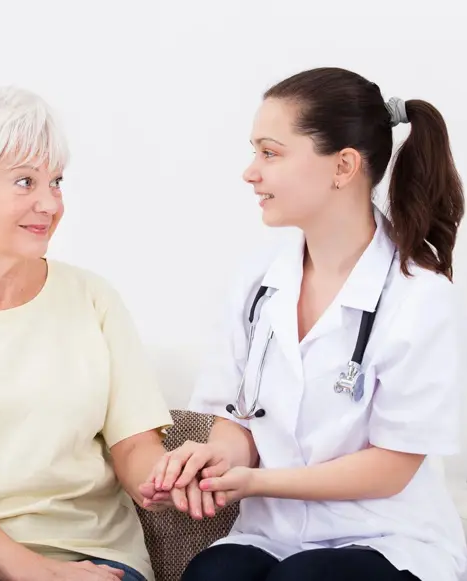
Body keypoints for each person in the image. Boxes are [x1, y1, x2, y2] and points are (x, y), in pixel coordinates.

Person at [141, 67, 467, 581]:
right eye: (255, 152)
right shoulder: (258, 280)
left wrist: (255, 483)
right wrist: (209, 461)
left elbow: (391, 469)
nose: (251, 172)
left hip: (387, 537)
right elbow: (237, 419)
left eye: (270, 153)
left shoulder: (418, 296)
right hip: (272, 533)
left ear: (342, 167)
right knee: (213, 574)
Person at [0, 86, 173, 581]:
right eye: (25, 182)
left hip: (89, 553)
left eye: (56, 181)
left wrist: (163, 483)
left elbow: (135, 447)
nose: (50, 203)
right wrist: (36, 574)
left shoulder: (94, 299)